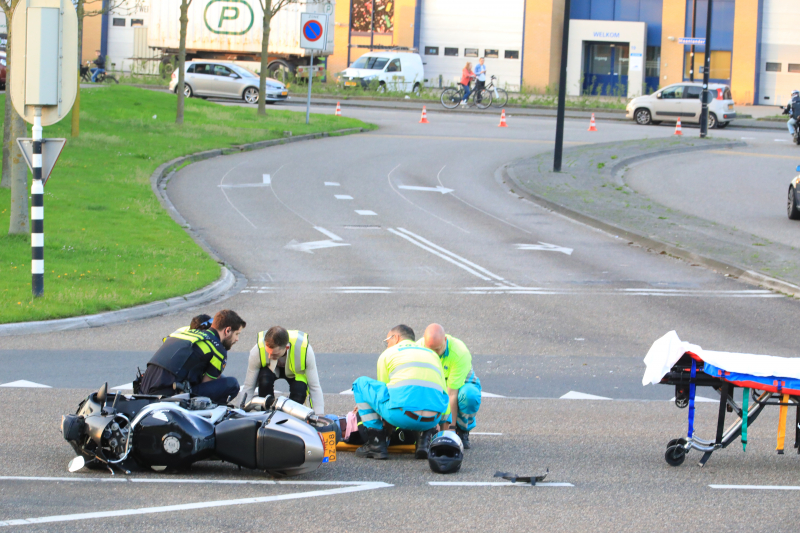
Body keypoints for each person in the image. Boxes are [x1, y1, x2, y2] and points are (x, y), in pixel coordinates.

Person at [352, 325, 449, 460]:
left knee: (360, 383)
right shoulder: (433, 355)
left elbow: (385, 395)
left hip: (402, 415)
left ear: (396, 338)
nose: (387, 346)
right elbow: (444, 395)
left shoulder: (388, 354)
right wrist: (444, 434)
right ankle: (423, 441)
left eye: (387, 341)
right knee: (425, 395)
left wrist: (386, 433)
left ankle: (376, 443)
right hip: (432, 420)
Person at [139, 309, 245, 405]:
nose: (237, 339)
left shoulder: (186, 332)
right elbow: (207, 384)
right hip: (167, 396)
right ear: (227, 330)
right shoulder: (218, 349)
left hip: (144, 387)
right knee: (232, 384)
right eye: (237, 334)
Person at [234, 326, 324, 414]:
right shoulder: (257, 350)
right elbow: (249, 386)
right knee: (264, 380)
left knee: (299, 391)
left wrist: (319, 415)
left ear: (286, 348)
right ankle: (266, 412)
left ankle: (290, 416)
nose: (269, 356)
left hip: (294, 373)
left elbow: (314, 387)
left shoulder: (304, 350)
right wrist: (240, 411)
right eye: (268, 352)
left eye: (274, 354)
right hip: (271, 369)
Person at [418, 324, 481, 449]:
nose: (434, 354)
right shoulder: (418, 348)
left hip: (461, 387)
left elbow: (451, 394)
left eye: (437, 350)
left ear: (445, 340)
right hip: (437, 386)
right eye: (430, 350)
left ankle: (462, 430)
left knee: (469, 396)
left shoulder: (459, 353)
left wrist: (450, 428)